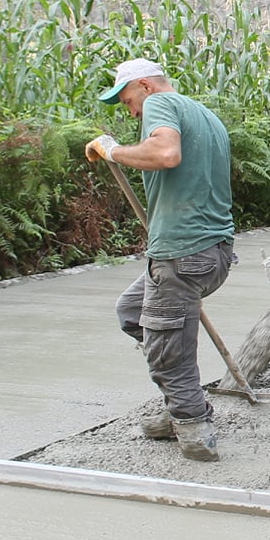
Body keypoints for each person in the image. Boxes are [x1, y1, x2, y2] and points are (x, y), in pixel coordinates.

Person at [87, 59, 237, 462]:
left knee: (166, 348)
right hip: (213, 252)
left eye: (128, 101)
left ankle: (193, 426)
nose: (131, 112)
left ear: (145, 86)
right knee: (132, 311)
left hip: (182, 253)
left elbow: (166, 153)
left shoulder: (159, 103)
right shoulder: (204, 115)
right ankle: (180, 400)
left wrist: (113, 150)